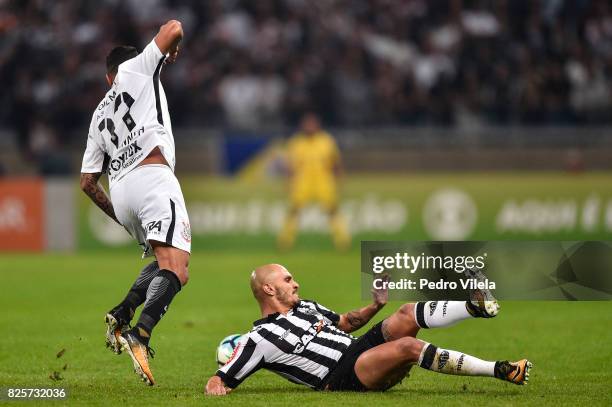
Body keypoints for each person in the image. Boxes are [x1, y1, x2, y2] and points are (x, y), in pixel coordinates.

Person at [205, 264, 531, 395]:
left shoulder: (306, 306)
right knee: (407, 348)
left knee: (405, 314)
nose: (296, 283)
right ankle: (500, 370)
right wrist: (216, 386)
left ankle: (476, 307)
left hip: (357, 347)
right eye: (288, 280)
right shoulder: (258, 339)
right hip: (340, 377)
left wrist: (375, 306)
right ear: (270, 290)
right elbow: (222, 377)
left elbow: (346, 323)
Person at [80, 20, 190, 386]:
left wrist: (120, 217)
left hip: (122, 190)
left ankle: (122, 312)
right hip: (152, 176)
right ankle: (139, 334)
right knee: (177, 269)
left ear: (106, 77)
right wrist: (170, 50)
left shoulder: (98, 115)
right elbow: (174, 26)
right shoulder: (139, 67)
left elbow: (87, 182)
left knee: (162, 261)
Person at [277, 113, 351, 251]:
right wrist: (287, 182)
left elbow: (335, 162)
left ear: (318, 125)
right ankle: (285, 242)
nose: (309, 127)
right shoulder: (296, 142)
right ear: (302, 126)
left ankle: (343, 242)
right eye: (307, 124)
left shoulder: (326, 141)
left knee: (332, 210)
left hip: (323, 180)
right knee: (294, 210)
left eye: (312, 124)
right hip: (302, 181)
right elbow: (290, 166)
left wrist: (340, 179)